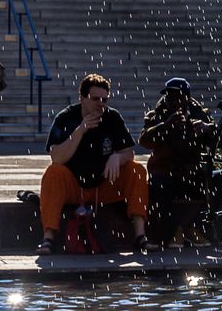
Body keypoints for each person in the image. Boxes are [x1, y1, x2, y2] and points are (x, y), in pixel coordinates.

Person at [35, 73, 151, 255]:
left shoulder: (112, 117)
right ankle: (48, 238)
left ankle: (140, 236)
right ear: (82, 99)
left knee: (136, 170)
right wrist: (80, 130)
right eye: (95, 99)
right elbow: (56, 158)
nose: (100, 104)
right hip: (74, 187)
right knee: (53, 173)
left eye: (104, 99)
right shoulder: (66, 118)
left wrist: (117, 158)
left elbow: (129, 152)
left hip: (103, 186)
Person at [140, 77, 222, 248]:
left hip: (191, 175)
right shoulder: (157, 115)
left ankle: (195, 224)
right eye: (170, 97)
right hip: (166, 174)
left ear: (187, 98)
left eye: (178, 97)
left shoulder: (199, 114)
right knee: (159, 184)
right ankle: (174, 230)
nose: (174, 101)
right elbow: (144, 141)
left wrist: (208, 129)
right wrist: (165, 126)